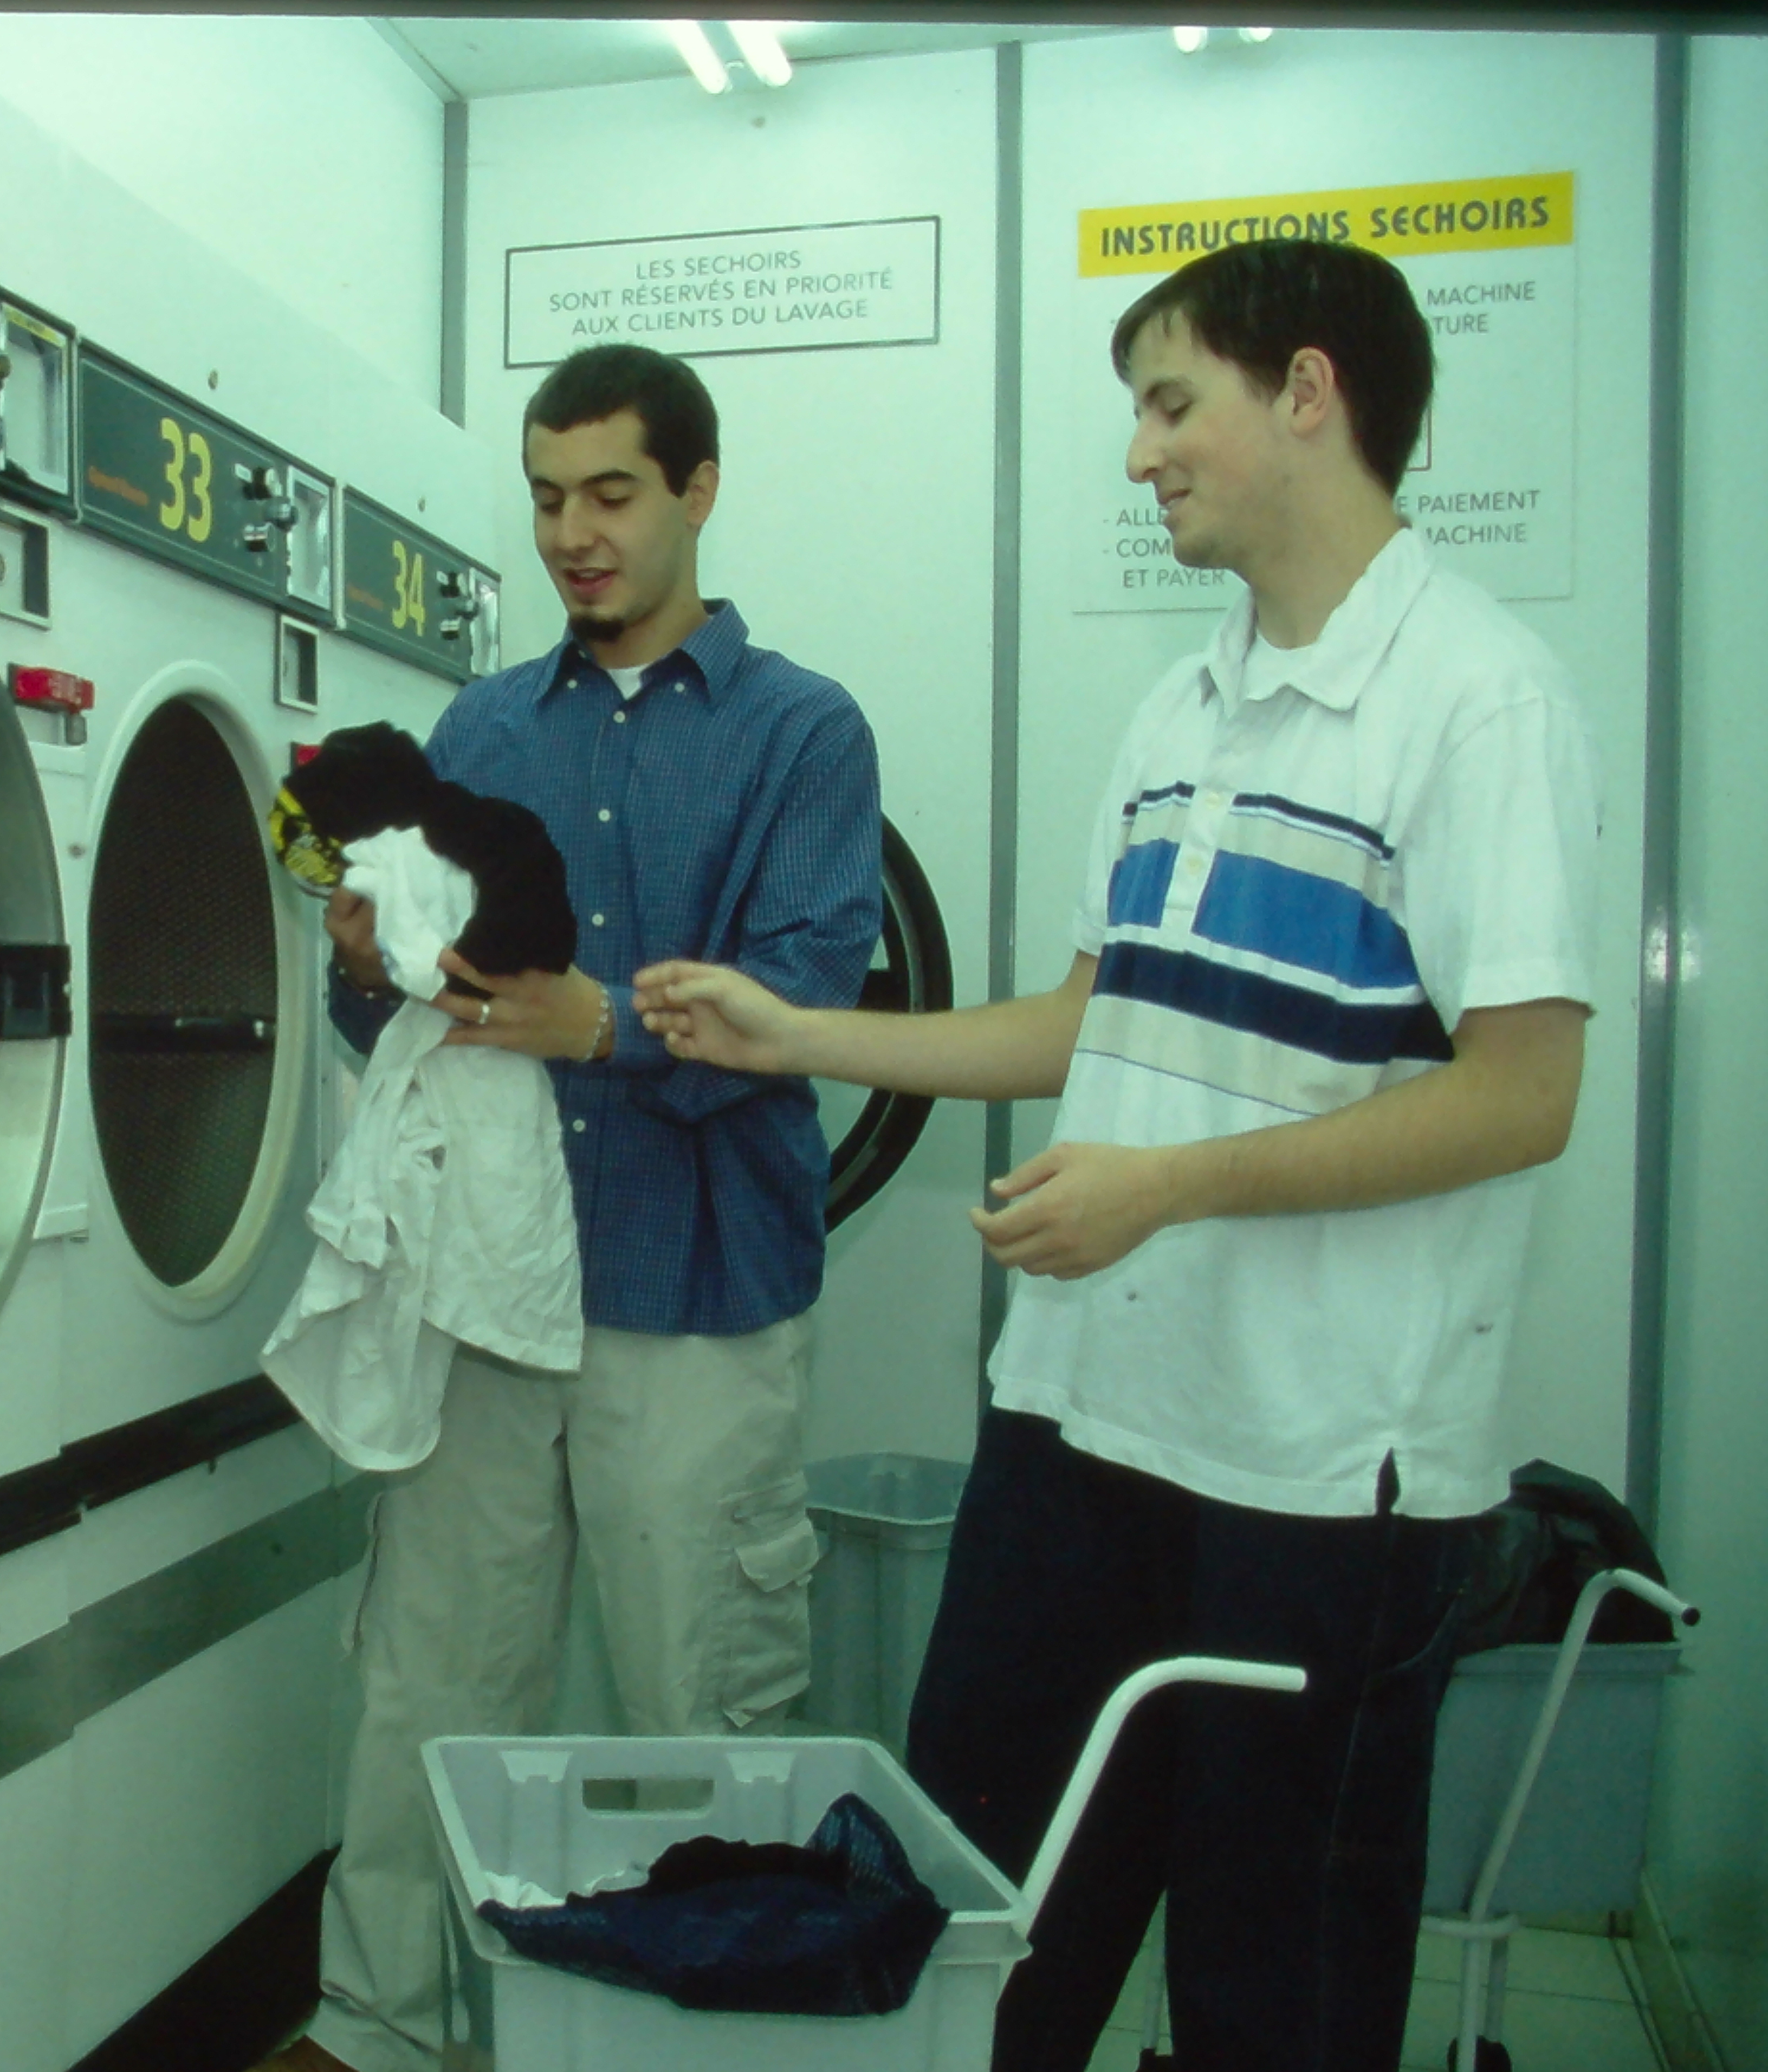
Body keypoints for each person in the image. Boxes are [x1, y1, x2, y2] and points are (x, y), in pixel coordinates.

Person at [637, 239, 1597, 2071]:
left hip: (1314, 1477)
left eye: (1169, 403)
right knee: (975, 1921)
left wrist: (1167, 1183)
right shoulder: (1182, 712)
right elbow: (1094, 1016)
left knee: (1269, 1979)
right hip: (1080, 1420)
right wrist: (805, 1034)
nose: (1138, 454)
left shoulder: (1475, 701)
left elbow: (1515, 1094)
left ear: (1303, 394)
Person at [261, 343, 884, 2072]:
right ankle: (381, 2026)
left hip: (696, 1287)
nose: (573, 535)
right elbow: (402, 1021)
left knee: (704, 1698)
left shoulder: (801, 732)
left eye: (611, 493)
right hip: (486, 1292)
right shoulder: (484, 726)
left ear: (697, 487)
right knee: (428, 1685)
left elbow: (810, 989)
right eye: (546, 498)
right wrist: (363, 963)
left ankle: (717, 2039)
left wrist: (601, 1024)